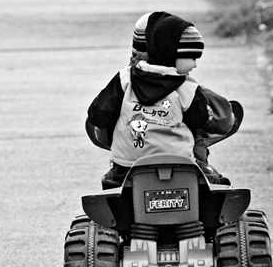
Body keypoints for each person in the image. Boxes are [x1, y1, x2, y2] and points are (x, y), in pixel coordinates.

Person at [86, 11, 235, 189]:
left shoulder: (124, 79)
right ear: (171, 54)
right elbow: (202, 120)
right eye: (193, 58)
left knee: (110, 184)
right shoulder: (186, 87)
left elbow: (98, 114)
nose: (195, 64)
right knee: (215, 182)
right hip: (182, 166)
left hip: (126, 168)